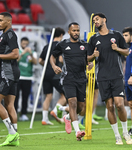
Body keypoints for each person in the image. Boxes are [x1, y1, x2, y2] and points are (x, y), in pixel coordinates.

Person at [87, 12, 132, 145]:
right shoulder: (93, 39)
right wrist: (92, 56)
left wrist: (117, 48)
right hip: (102, 77)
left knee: (119, 104)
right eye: (94, 20)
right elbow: (88, 58)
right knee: (110, 106)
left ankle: (125, 133)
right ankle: (117, 136)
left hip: (116, 75)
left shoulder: (116, 35)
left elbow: (127, 51)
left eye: (97, 19)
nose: (95, 22)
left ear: (104, 20)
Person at [50, 22, 87, 141]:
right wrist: (54, 66)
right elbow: (52, 56)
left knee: (81, 108)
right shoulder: (63, 44)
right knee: (72, 102)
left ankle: (67, 117)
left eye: (77, 30)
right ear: (69, 32)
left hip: (82, 78)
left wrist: (90, 63)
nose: (76, 33)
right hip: (68, 78)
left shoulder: (84, 45)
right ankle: (77, 132)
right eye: (74, 31)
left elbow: (88, 58)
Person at [0, 12, 20, 147]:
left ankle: (12, 133)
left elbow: (15, 54)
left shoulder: (10, 35)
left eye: (1, 20)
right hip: (8, 72)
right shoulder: (3, 36)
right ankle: (15, 138)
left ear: (8, 22)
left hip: (8, 74)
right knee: (9, 105)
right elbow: (4, 57)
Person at [39, 27, 67, 125]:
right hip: (56, 74)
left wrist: (47, 66)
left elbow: (40, 60)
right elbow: (60, 60)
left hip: (45, 74)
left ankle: (44, 119)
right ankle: (55, 111)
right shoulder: (60, 45)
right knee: (66, 95)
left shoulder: (47, 46)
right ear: (61, 35)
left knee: (48, 96)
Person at [14, 37, 37, 121]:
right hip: (18, 77)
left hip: (28, 77)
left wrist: (30, 53)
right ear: (20, 43)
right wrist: (23, 53)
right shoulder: (18, 51)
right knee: (15, 97)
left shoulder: (32, 52)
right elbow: (16, 61)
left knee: (25, 97)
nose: (25, 45)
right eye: (23, 44)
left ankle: (23, 114)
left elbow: (35, 62)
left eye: (26, 44)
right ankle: (14, 113)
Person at [122, 27, 132, 135]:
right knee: (131, 104)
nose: (124, 37)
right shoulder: (128, 48)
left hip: (131, 79)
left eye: (126, 35)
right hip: (127, 79)